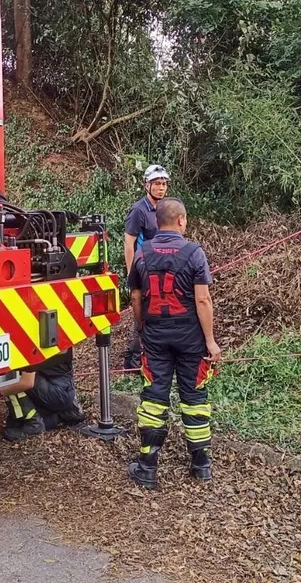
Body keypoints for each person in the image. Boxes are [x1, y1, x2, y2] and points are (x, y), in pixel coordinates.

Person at [126, 197, 222, 488]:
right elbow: (203, 299)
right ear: (181, 220)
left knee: (154, 398)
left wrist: (142, 327)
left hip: (155, 335)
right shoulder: (194, 252)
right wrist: (210, 340)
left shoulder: (142, 252)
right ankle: (201, 464)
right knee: (194, 398)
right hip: (190, 338)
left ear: (157, 222)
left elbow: (135, 297)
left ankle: (147, 466)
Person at [122, 164, 170, 370]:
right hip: (143, 270)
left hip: (161, 270)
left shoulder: (164, 208)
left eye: (164, 184)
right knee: (141, 315)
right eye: (157, 184)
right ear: (147, 186)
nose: (161, 188)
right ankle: (132, 360)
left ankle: (153, 356)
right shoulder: (139, 210)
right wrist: (132, 273)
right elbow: (129, 242)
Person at [0, 348, 86, 440]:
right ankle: (67, 412)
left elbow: (26, 382)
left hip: (55, 392)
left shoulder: (28, 340)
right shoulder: (58, 335)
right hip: (66, 389)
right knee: (14, 424)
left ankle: (33, 424)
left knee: (13, 376)